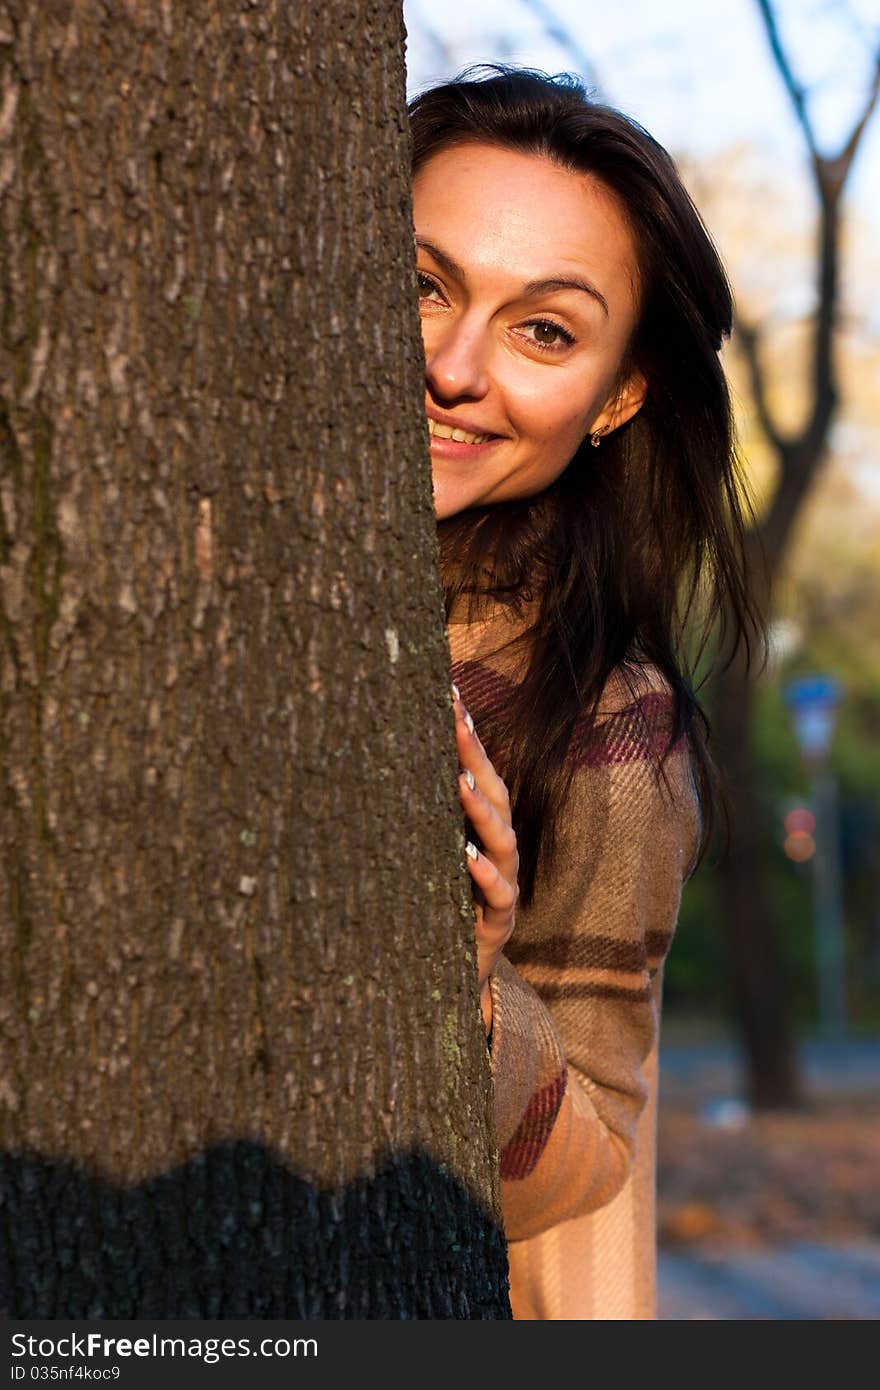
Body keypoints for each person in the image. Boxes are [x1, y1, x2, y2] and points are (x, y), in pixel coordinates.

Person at [407, 66, 759, 1320]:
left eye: (542, 329)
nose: (451, 368)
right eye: (420, 285)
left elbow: (594, 1162)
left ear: (615, 397)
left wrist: (474, 972)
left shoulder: (609, 723)